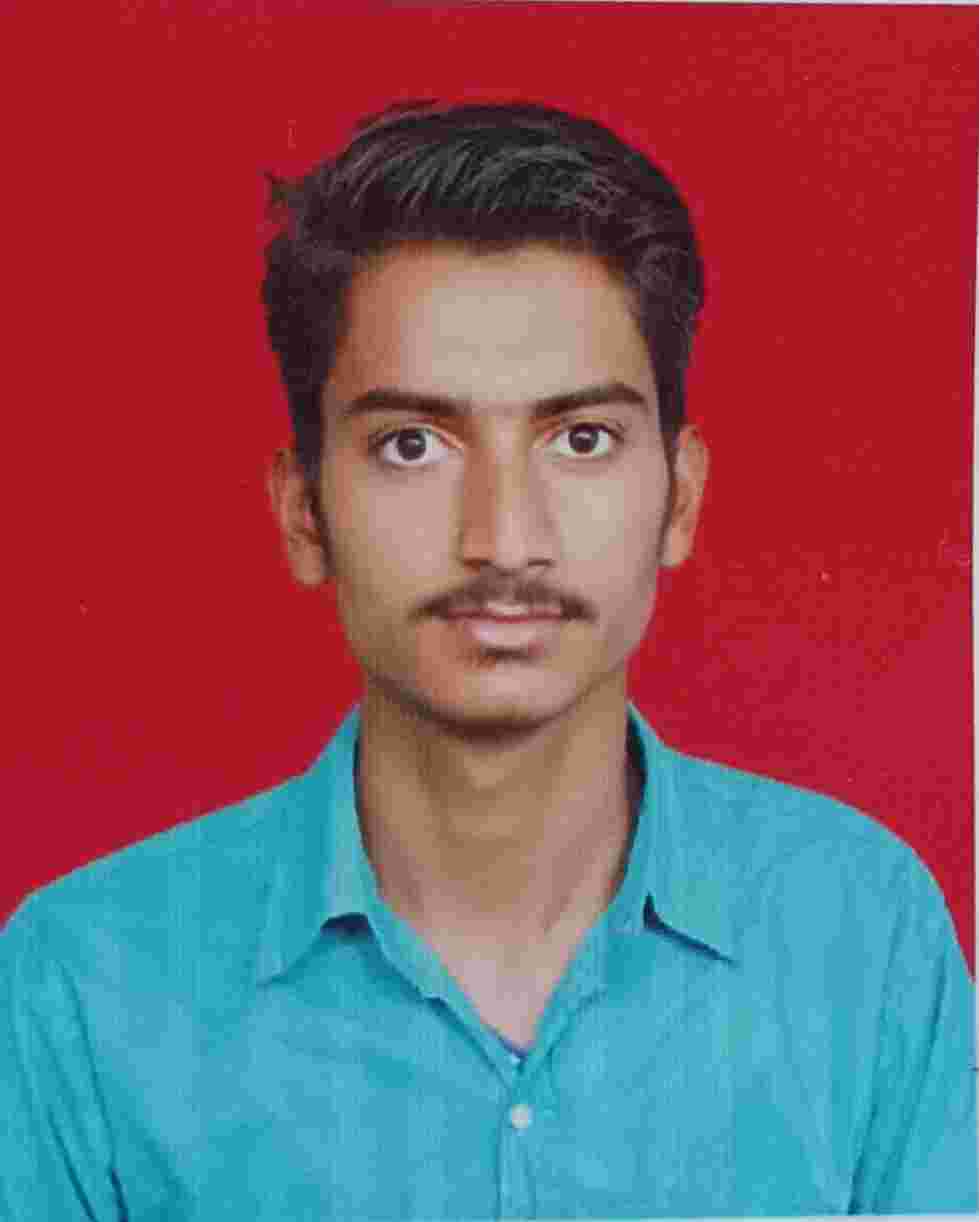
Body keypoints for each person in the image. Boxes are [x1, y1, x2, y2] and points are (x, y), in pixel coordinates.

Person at [2, 100, 975, 1221]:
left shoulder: (861, 929)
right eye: (411, 444)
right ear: (304, 511)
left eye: (581, 439)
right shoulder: (83, 981)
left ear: (680, 497)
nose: (504, 538)